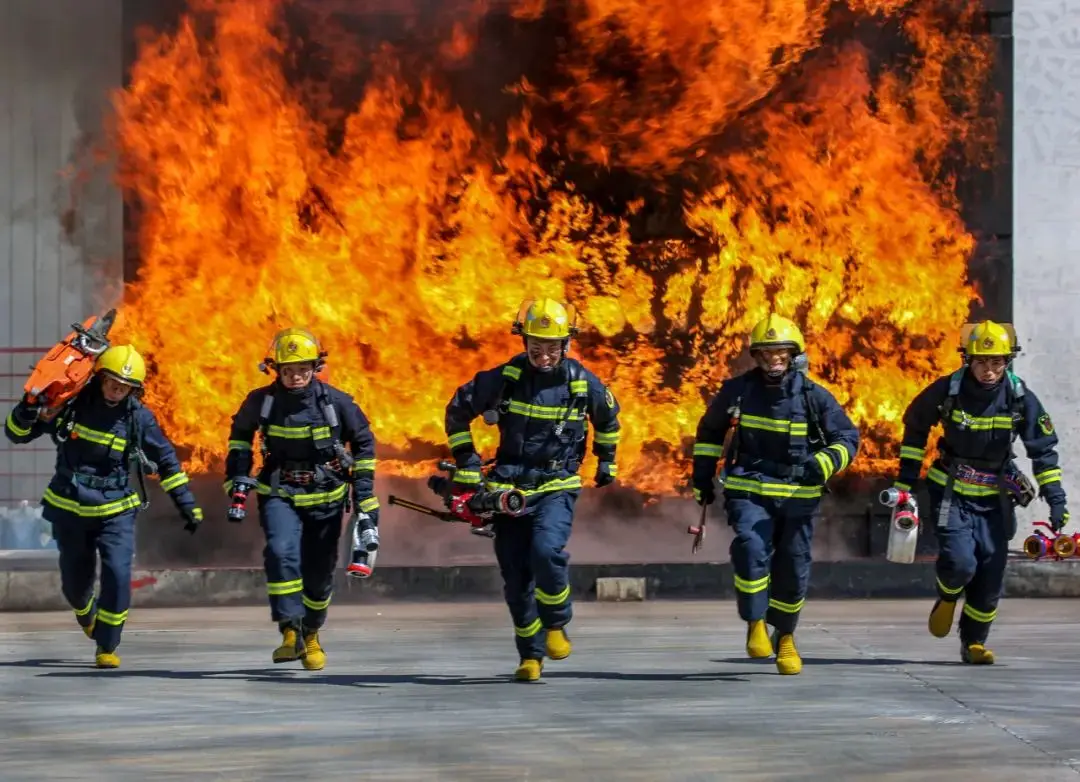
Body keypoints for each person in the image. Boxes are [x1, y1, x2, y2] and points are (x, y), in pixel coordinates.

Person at [444, 298, 621, 682]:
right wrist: (468, 464)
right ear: (523, 343)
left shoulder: (581, 381)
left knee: (546, 551)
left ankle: (556, 624)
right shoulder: (503, 379)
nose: (543, 355)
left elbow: (608, 419)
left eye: (552, 347)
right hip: (508, 488)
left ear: (566, 345)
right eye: (536, 346)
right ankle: (530, 655)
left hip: (557, 485)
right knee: (515, 575)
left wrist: (607, 460)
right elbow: (457, 412)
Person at [4, 344, 203, 668]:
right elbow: (17, 434)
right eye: (112, 382)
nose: (116, 390)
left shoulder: (138, 417)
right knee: (74, 583)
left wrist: (186, 503)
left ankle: (107, 644)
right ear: (99, 378)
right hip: (70, 506)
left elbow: (166, 460)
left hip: (116, 509)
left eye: (124, 387)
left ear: (133, 390)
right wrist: (27, 410)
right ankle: (86, 613)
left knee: (118, 573)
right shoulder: (71, 403)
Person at [692, 314, 860, 675]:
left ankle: (785, 637)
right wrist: (702, 479)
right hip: (749, 489)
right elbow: (709, 434)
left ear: (794, 354)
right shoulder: (737, 392)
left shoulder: (815, 397)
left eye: (780, 353)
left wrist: (827, 462)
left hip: (799, 497)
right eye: (766, 354)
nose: (773, 360)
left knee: (793, 566)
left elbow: (848, 438)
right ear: (756, 356)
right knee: (751, 546)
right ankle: (755, 622)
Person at [892, 320, 1068, 664]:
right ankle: (947, 594)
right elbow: (914, 428)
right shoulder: (948, 391)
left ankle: (973, 643)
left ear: (1008, 361)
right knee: (959, 562)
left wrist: (1056, 497)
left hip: (995, 500)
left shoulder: (1019, 398)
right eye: (982, 362)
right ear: (967, 360)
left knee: (990, 574)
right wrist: (905, 482)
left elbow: (1043, 450)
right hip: (952, 494)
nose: (989, 371)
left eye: (997, 362)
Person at [225, 328, 378, 670]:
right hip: (279, 492)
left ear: (315, 367)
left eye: (303, 369)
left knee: (319, 571)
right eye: (288, 370)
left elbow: (365, 443)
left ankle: (311, 634)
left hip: (326, 497)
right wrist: (237, 476)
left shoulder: (336, 402)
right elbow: (239, 438)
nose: (296, 376)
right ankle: (290, 631)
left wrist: (363, 491)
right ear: (275, 370)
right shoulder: (260, 402)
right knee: (281, 552)